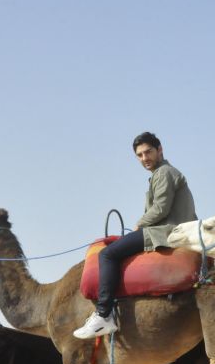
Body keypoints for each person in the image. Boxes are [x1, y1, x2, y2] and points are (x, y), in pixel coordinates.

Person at [74, 132, 197, 339]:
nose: (144, 158)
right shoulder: (160, 174)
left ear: (160, 150)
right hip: (168, 229)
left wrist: (140, 223)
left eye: (148, 152)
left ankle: (103, 314)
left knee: (107, 255)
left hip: (165, 232)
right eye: (139, 155)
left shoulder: (164, 172)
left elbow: (161, 209)